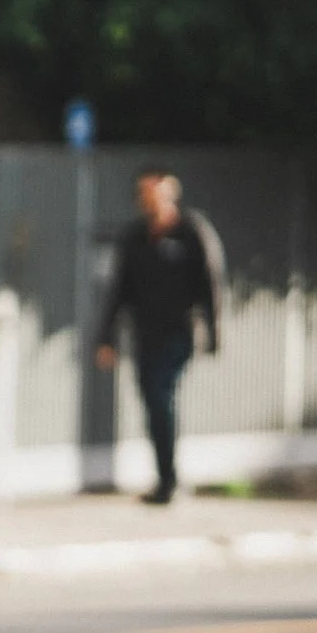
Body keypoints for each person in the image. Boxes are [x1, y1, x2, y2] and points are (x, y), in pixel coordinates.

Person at [97, 170, 222, 505]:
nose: (148, 202)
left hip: (179, 333)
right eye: (143, 196)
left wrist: (213, 330)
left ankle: (169, 481)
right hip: (144, 334)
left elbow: (210, 283)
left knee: (160, 397)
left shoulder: (190, 232)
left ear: (170, 196)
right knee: (152, 404)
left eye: (155, 195)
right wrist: (105, 338)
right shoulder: (135, 238)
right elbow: (118, 290)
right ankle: (166, 477)